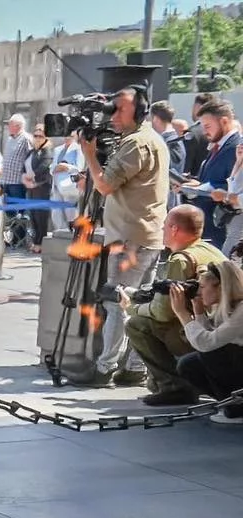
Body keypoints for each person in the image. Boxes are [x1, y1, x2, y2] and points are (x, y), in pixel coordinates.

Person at [75, 85, 169, 387]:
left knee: (117, 302)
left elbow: (103, 185)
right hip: (148, 234)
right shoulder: (150, 140)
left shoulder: (135, 144)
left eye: (119, 108)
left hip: (130, 238)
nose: (112, 115)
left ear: (139, 111)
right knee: (139, 303)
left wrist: (89, 155)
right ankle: (133, 367)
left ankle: (105, 368)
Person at [121, 204, 226, 403]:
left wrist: (130, 306)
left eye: (164, 226)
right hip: (221, 330)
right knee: (153, 384)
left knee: (136, 325)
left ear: (174, 229)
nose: (161, 231)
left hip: (204, 334)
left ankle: (174, 388)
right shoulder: (210, 250)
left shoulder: (181, 259)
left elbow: (164, 313)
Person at [172, 259, 243, 423]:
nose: (199, 292)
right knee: (188, 364)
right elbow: (211, 337)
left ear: (220, 287)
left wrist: (183, 314)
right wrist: (199, 312)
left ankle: (237, 409)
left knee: (211, 353)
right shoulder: (228, 306)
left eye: (202, 287)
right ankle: (231, 403)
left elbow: (208, 344)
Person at [184, 99, 240, 248]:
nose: (204, 131)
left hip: (224, 231)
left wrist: (213, 190)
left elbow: (236, 188)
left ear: (224, 121)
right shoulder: (219, 146)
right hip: (212, 230)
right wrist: (194, 185)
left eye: (207, 126)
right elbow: (214, 180)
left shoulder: (236, 148)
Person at [23, 124, 55, 253]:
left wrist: (33, 179)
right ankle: (36, 242)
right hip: (31, 188)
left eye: (40, 136)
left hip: (41, 187)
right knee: (33, 215)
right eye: (35, 135)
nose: (37, 138)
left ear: (46, 137)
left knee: (41, 216)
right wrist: (25, 178)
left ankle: (40, 243)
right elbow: (24, 166)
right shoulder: (32, 151)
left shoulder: (47, 151)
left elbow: (44, 167)